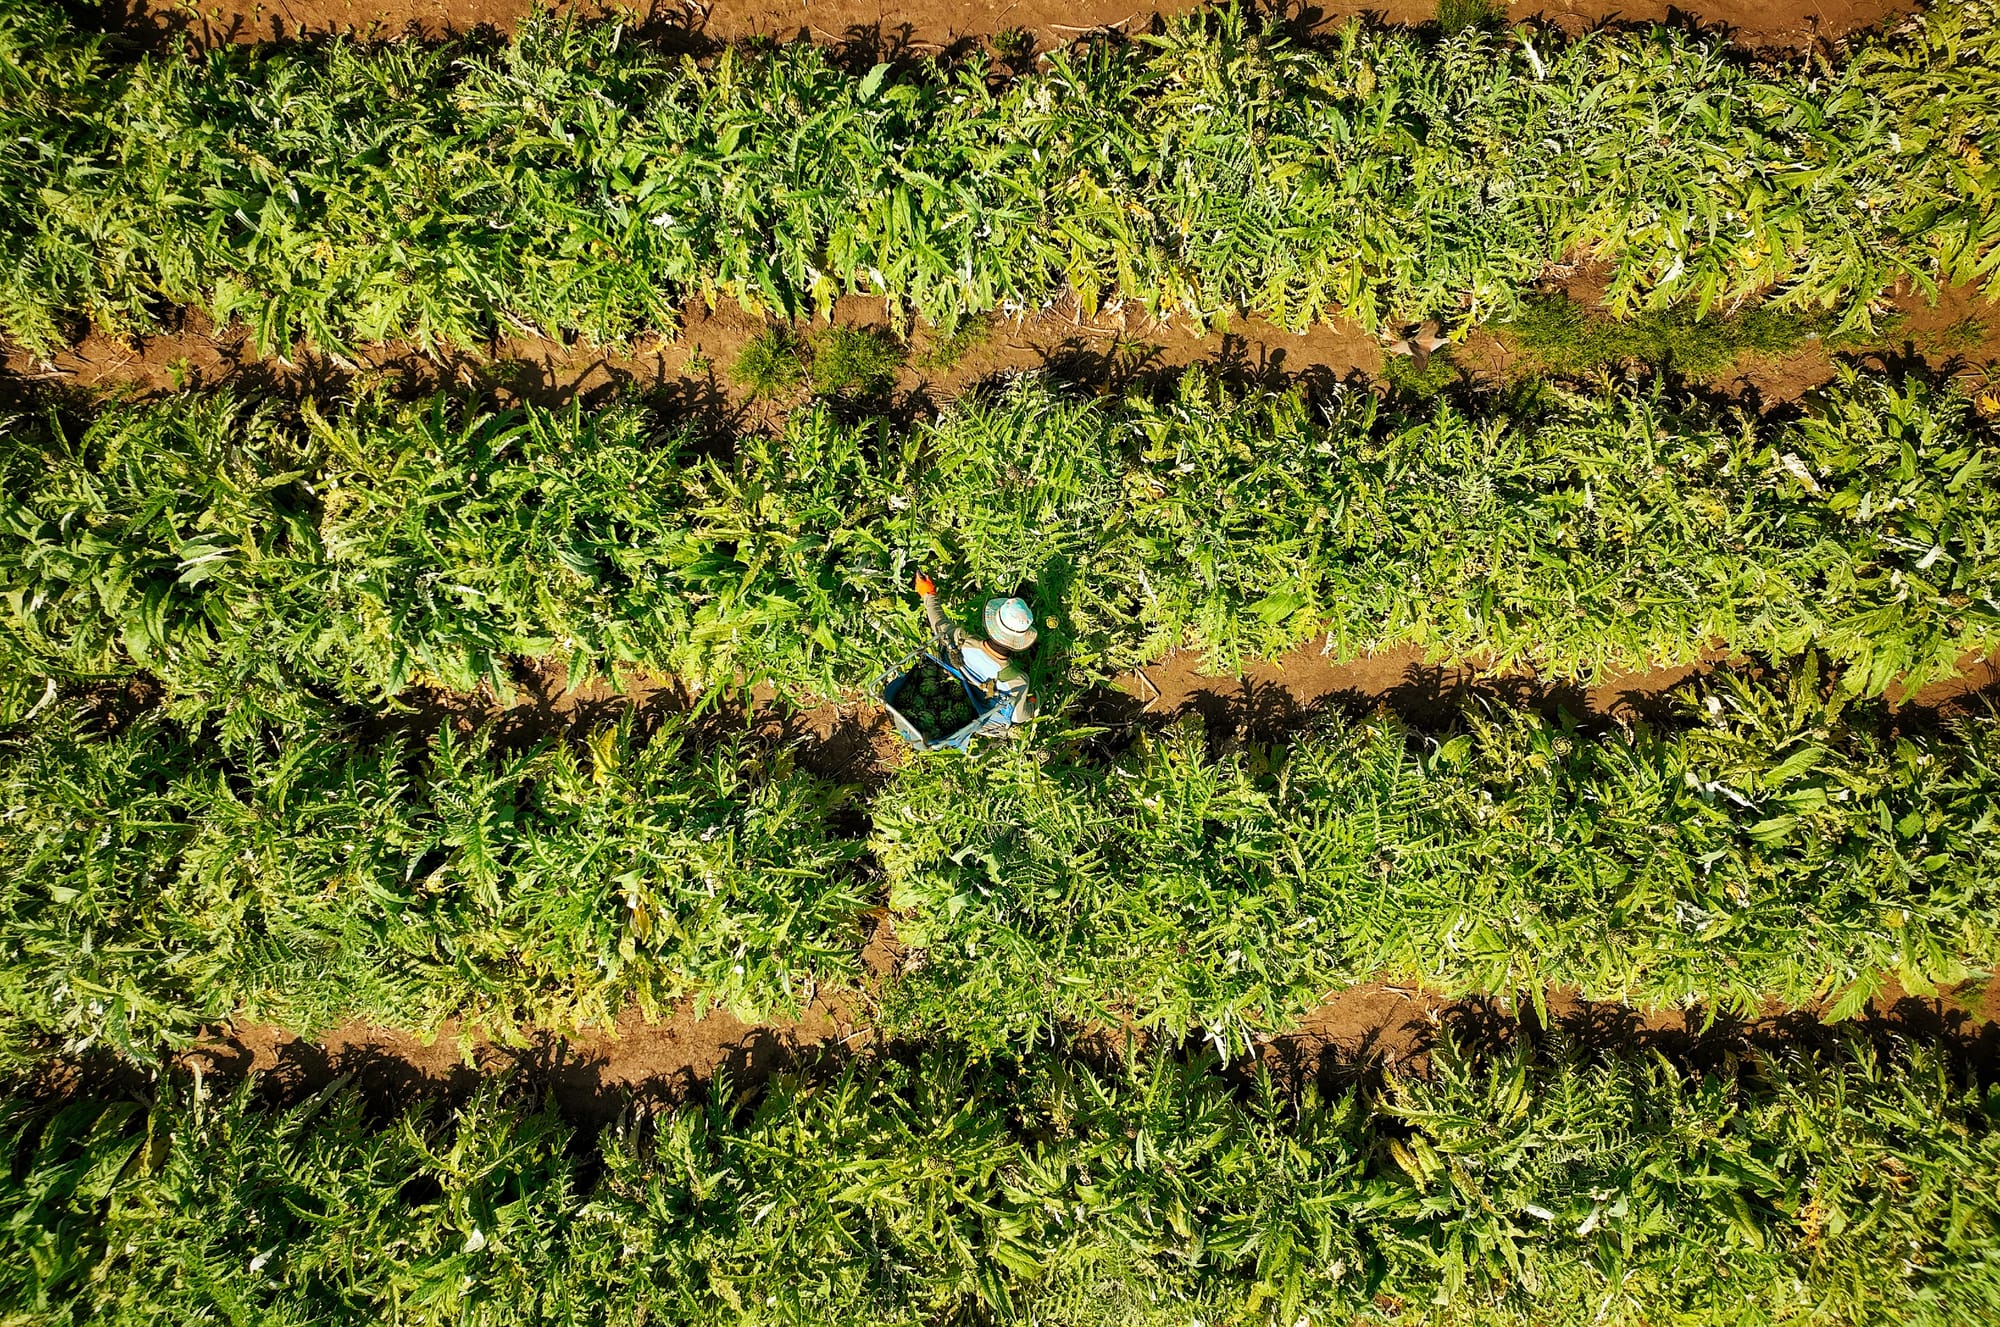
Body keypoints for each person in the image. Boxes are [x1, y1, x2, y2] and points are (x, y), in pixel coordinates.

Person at [914, 572, 1038, 721]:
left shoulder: (962, 640)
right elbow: (1018, 717)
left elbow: (939, 624)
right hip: (981, 717)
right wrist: (1035, 703)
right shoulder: (1017, 681)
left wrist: (928, 594)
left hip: (944, 681)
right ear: (1020, 641)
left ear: (992, 624)